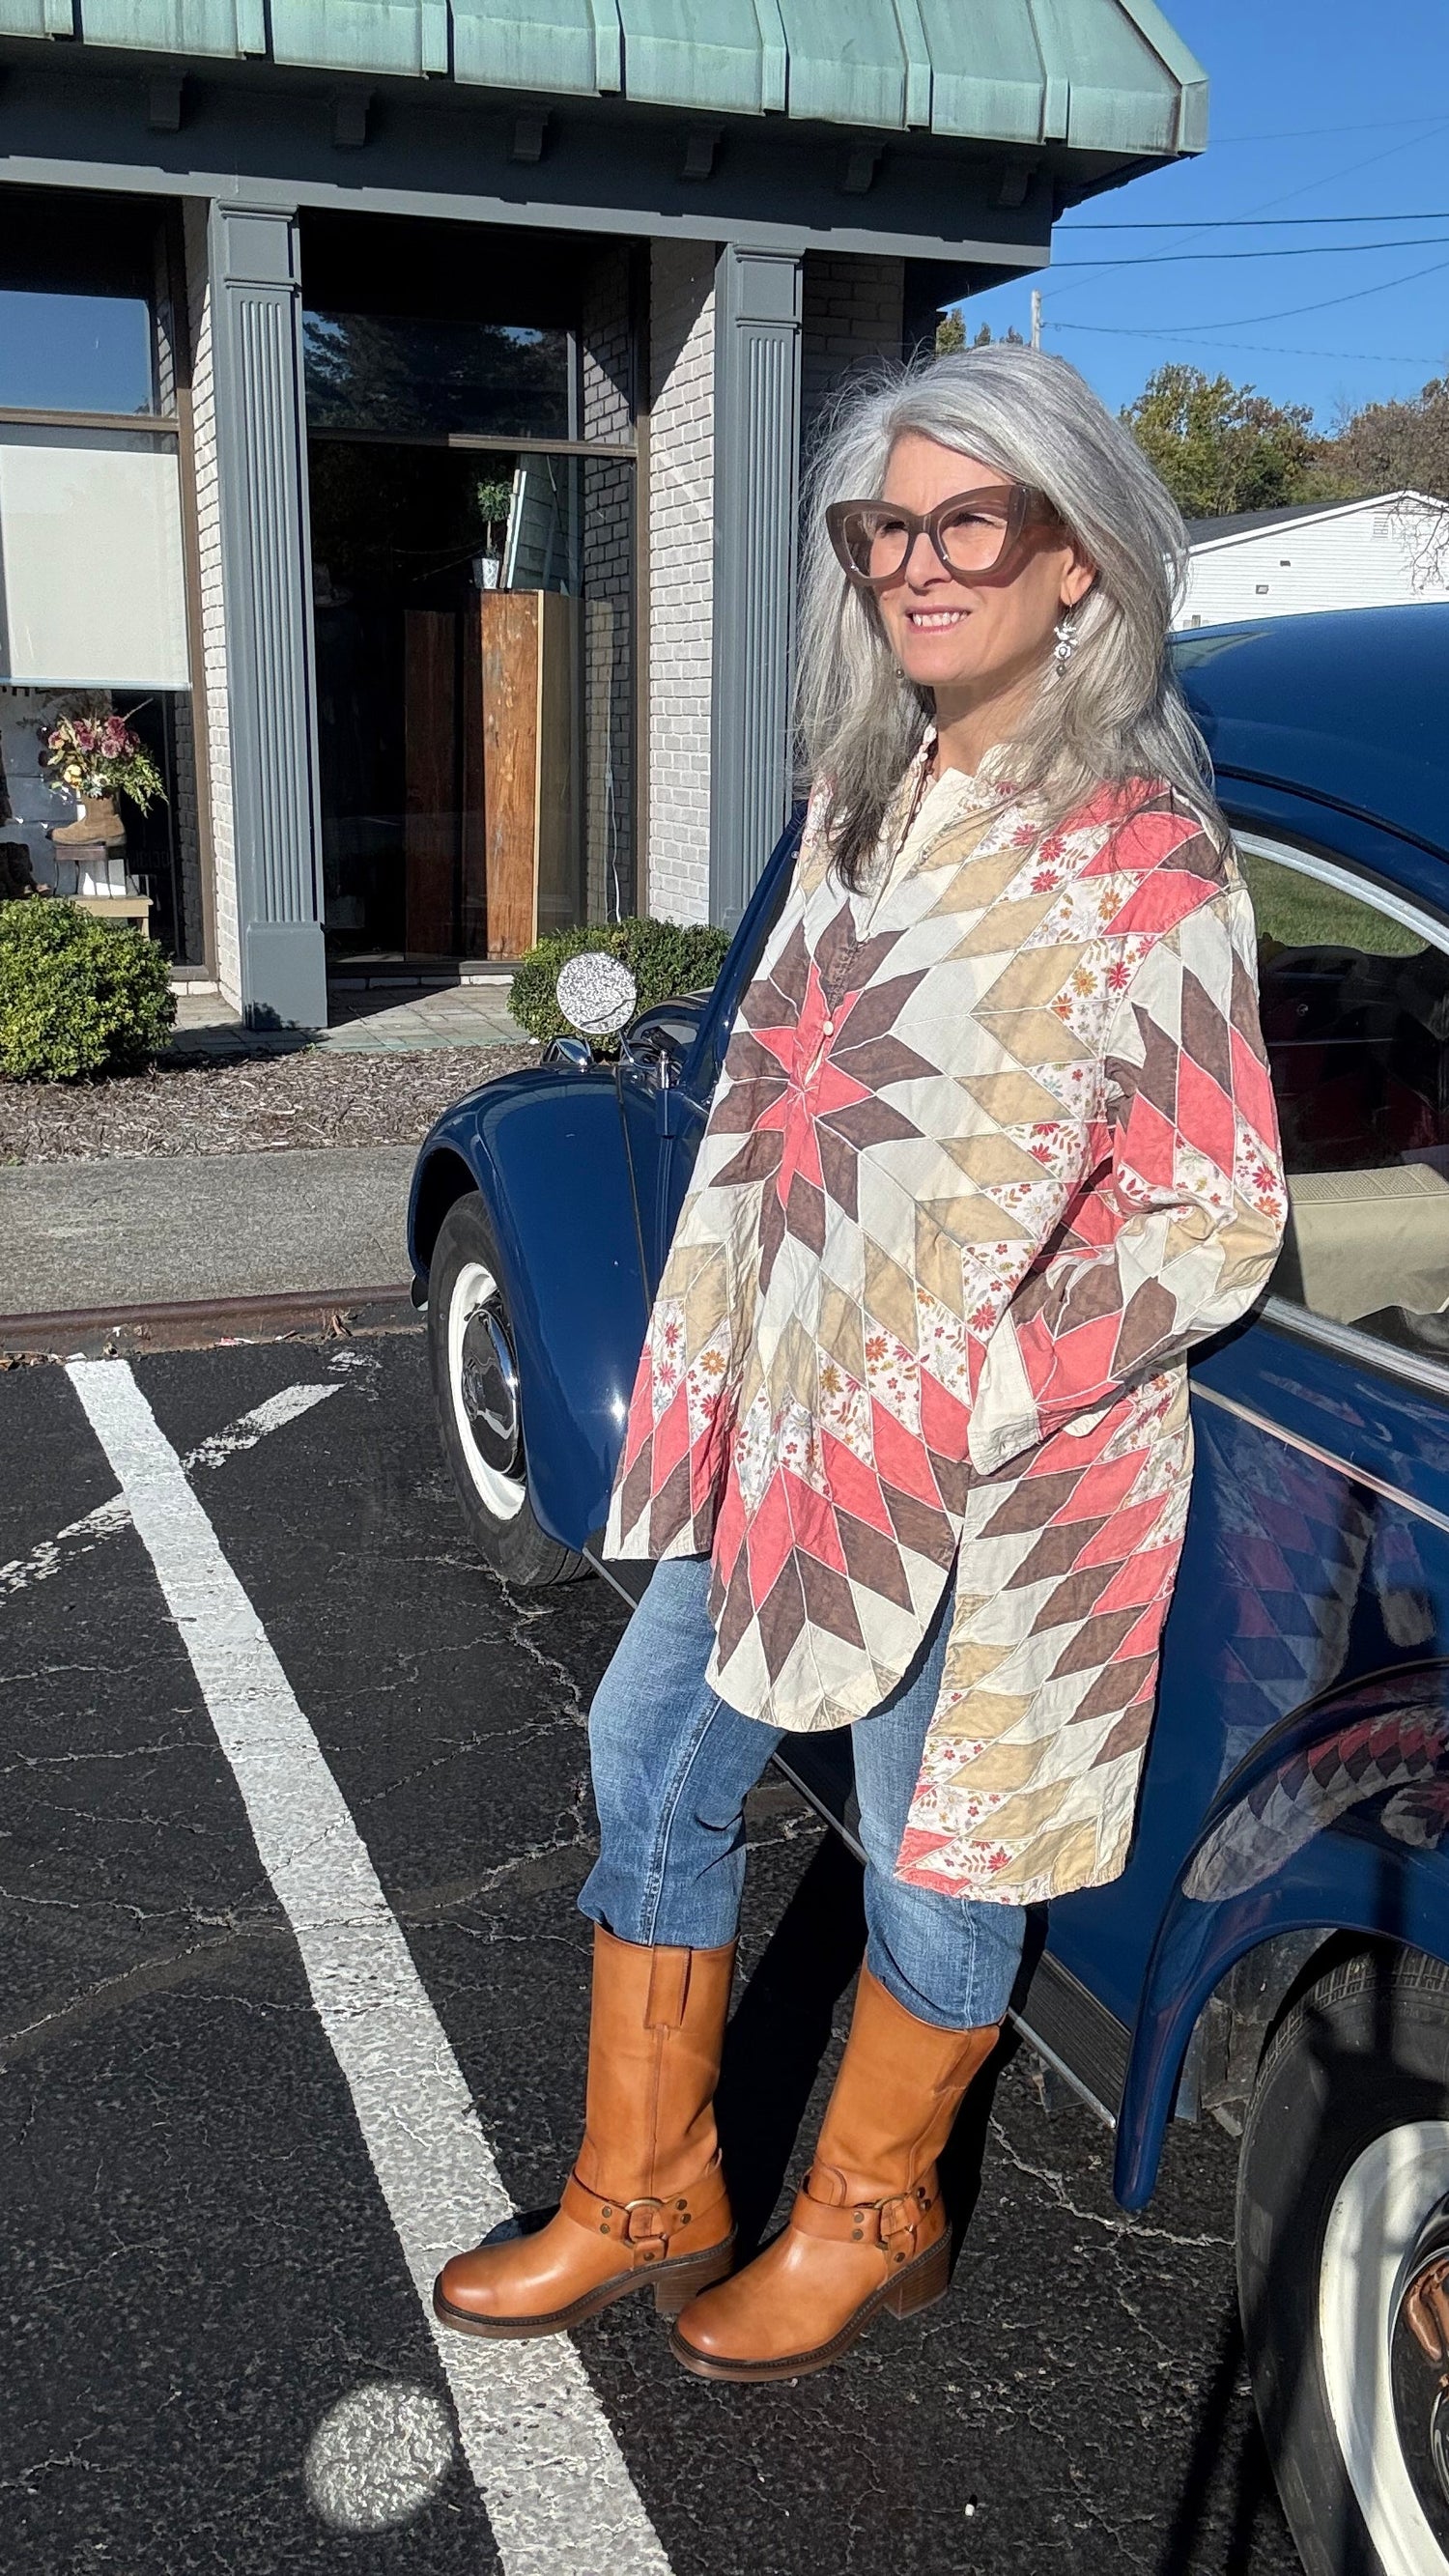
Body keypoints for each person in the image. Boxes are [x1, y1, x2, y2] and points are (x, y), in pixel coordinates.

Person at [433, 344, 1287, 2383]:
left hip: (998, 1476)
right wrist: (731, 1358)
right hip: (789, 1425)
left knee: (934, 1843)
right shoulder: (858, 795)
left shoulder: (1141, 859)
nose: (918, 562)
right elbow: (773, 1115)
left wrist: (971, 1389)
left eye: (965, 519)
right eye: (884, 526)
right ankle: (651, 2184)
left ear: (1075, 556)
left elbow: (1217, 1211)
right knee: (650, 1755)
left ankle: (874, 2210)